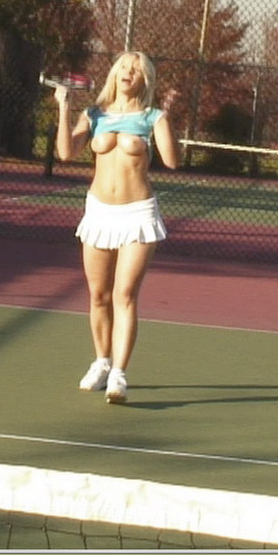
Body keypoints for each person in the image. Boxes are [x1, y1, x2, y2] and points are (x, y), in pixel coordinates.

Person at [53, 51, 179, 404]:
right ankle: (102, 362)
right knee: (98, 295)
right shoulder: (94, 115)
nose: (128, 72)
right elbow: (66, 153)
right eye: (123, 67)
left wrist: (167, 120)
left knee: (125, 295)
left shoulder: (153, 117)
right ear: (114, 74)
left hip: (137, 214)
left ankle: (119, 375)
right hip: (99, 212)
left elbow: (172, 161)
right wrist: (64, 108)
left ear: (144, 79)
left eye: (135, 69)